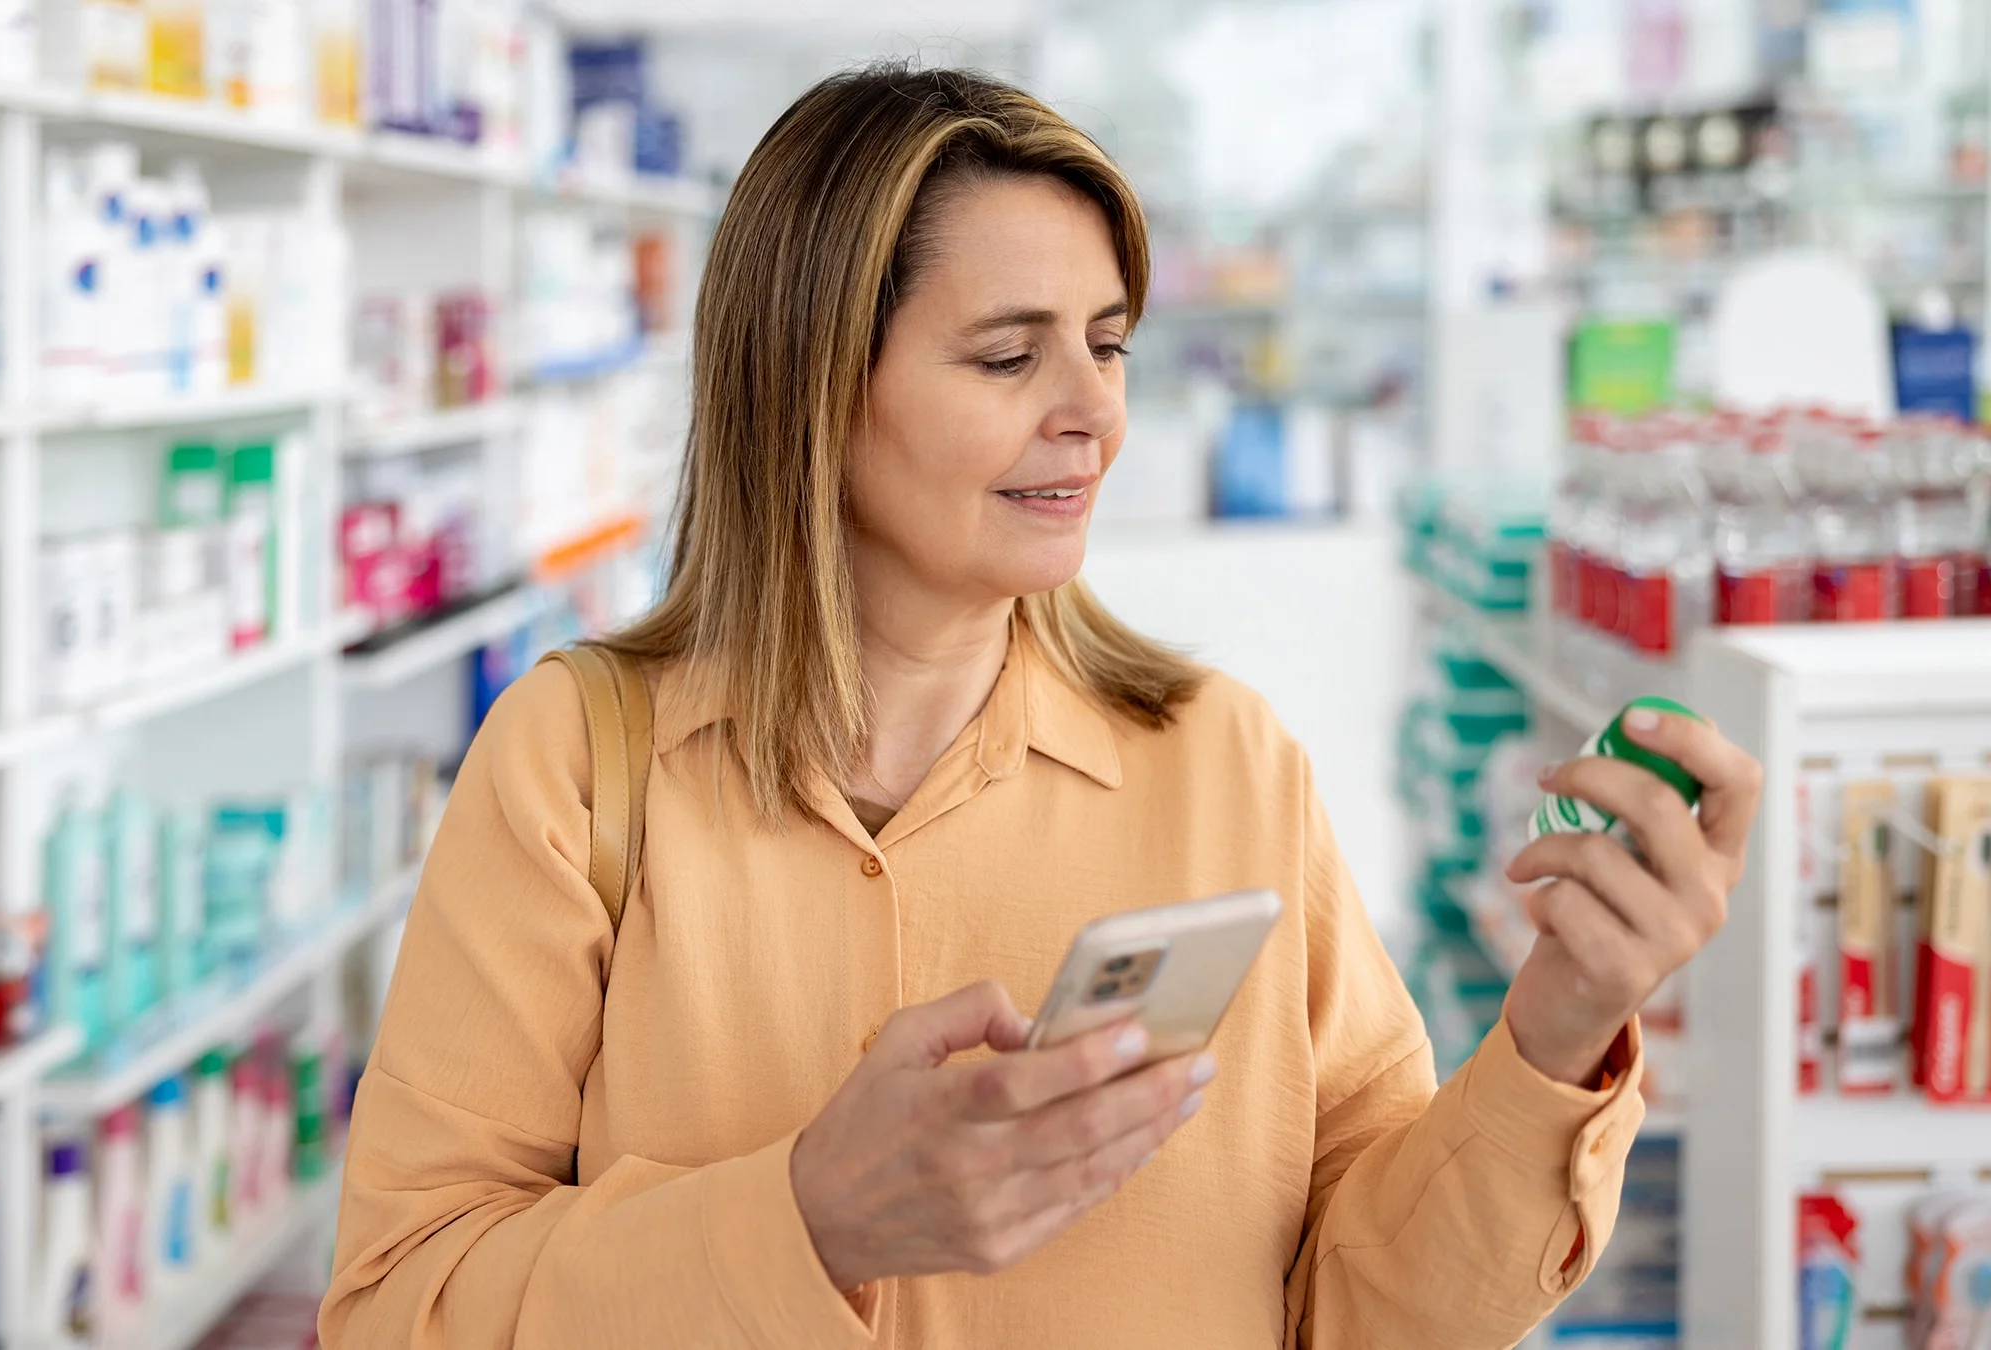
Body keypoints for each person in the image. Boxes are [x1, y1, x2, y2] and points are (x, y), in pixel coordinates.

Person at [320, 65, 1759, 1349]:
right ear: (812, 387)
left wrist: (1562, 1030)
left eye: (1109, 343)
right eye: (1009, 356)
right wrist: (808, 1220)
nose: (1092, 411)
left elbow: (1364, 1309)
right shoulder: (579, 762)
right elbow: (398, 1303)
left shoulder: (1222, 762)